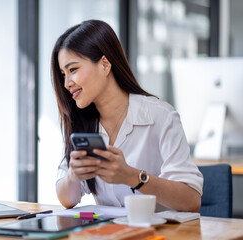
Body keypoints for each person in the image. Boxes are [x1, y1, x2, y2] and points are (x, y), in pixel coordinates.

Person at [51, 19, 203, 212]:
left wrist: (131, 176)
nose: (66, 83)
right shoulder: (82, 122)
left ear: (105, 65)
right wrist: (73, 174)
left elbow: (191, 201)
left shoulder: (160, 116)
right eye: (63, 74)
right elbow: (67, 199)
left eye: (73, 69)